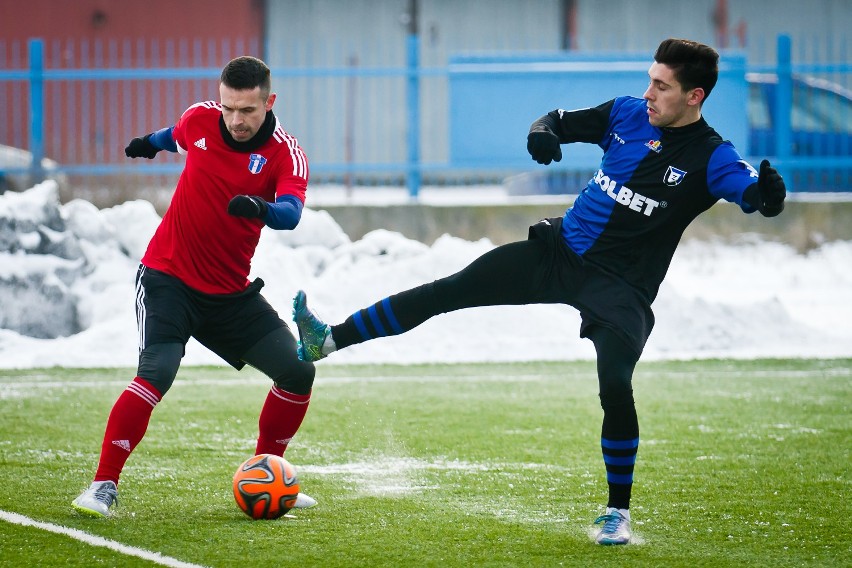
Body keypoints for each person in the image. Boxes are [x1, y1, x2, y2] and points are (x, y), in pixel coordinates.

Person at [291, 38, 786, 545]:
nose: (649, 93)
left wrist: (766, 197)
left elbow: (751, 192)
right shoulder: (626, 113)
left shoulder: (712, 155)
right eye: (650, 80)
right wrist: (544, 134)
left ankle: (618, 513)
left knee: (615, 384)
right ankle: (326, 340)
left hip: (621, 289)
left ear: (694, 96)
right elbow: (553, 120)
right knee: (449, 289)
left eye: (662, 86)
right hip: (558, 253)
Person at [72, 56, 318, 518]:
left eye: (246, 110)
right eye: (229, 108)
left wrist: (258, 208)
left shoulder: (287, 152)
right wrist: (148, 143)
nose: (235, 120)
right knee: (157, 372)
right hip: (169, 278)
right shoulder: (201, 118)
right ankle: (103, 485)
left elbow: (290, 212)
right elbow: (176, 134)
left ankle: (268, 469)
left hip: (229, 293)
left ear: (269, 102)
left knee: (298, 371)